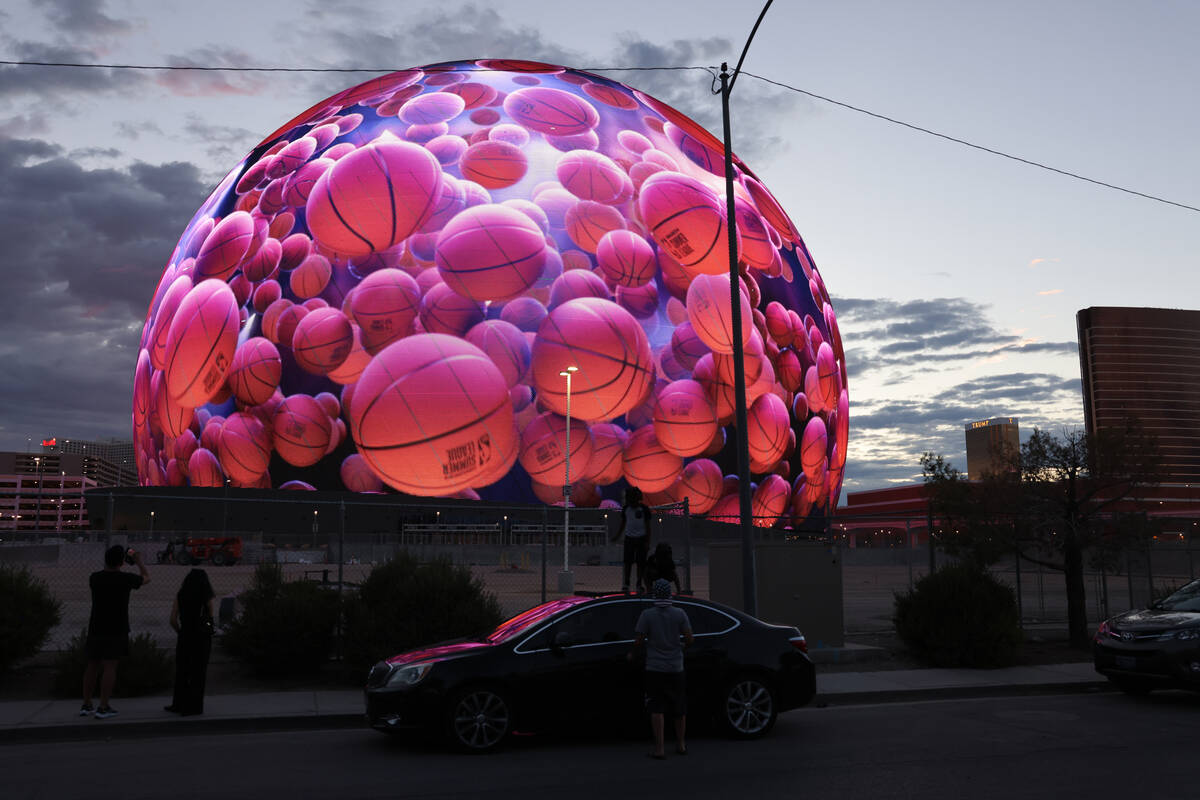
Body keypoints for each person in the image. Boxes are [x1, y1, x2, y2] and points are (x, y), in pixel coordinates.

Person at [81, 544, 150, 719]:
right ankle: (103, 706)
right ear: (121, 562)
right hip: (116, 627)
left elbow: (107, 572)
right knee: (110, 666)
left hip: (96, 626)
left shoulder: (94, 578)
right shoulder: (125, 579)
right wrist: (139, 561)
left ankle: (87, 704)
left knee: (92, 665)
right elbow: (146, 578)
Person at [633, 578, 693, 759]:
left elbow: (638, 640)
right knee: (679, 707)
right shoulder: (680, 614)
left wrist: (634, 653)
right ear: (669, 593)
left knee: (657, 708)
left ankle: (659, 748)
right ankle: (681, 744)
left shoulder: (647, 615)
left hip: (655, 667)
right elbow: (690, 639)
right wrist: (681, 646)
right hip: (676, 666)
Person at [166, 568, 216, 716]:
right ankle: (194, 707)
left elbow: (172, 620)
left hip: (185, 636)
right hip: (201, 638)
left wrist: (180, 632)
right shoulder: (206, 595)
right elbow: (211, 614)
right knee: (198, 673)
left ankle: (178, 703)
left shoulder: (180, 595)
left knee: (182, 671)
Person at [612, 486, 652, 593]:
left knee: (640, 563)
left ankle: (639, 583)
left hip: (641, 539)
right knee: (628, 562)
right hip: (629, 538)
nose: (630, 501)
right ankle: (627, 583)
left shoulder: (644, 509)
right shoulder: (626, 509)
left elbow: (648, 526)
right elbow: (623, 523)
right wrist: (617, 535)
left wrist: (647, 542)